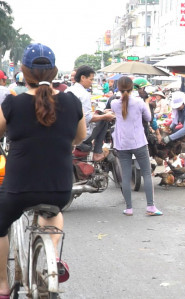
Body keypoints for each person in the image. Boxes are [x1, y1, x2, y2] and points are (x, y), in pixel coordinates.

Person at [0, 43, 87, 294]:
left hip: (18, 190)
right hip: (58, 189)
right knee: (53, 213)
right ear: (54, 72)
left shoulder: (12, 104)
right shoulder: (72, 102)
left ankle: (3, 285)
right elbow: (79, 138)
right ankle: (51, 259)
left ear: (24, 73)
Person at [111, 76, 162, 216]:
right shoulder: (139, 102)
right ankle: (151, 207)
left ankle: (129, 208)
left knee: (126, 176)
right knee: (146, 173)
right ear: (133, 88)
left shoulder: (114, 104)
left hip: (122, 144)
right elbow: (148, 118)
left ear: (118, 88)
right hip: (139, 142)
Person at [67, 65, 115, 161]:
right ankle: (97, 152)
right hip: (80, 136)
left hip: (67, 132)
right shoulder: (84, 94)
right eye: (91, 79)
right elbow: (88, 118)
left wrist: (101, 113)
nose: (92, 82)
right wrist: (105, 116)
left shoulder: (68, 90)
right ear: (83, 77)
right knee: (104, 120)